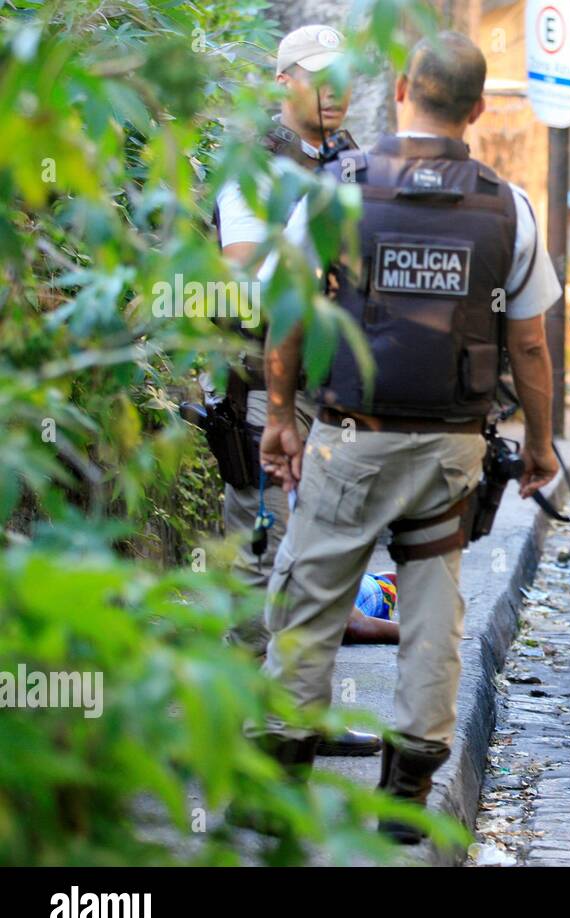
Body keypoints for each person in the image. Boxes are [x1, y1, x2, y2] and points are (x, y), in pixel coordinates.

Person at [254, 31, 562, 843]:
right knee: (433, 604)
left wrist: (281, 417)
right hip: (452, 448)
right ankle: (410, 785)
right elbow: (530, 343)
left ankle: (276, 786)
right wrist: (539, 446)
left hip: (352, 438)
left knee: (311, 597)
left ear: (398, 89)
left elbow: (285, 311)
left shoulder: (335, 193)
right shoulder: (510, 206)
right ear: (480, 109)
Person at [212, 24, 380, 758]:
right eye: (319, 76)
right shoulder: (253, 166)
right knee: (260, 551)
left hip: (334, 390)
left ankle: (294, 716)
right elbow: (247, 274)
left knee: (326, 556)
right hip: (264, 389)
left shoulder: (352, 162)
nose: (336, 90)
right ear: (284, 83)